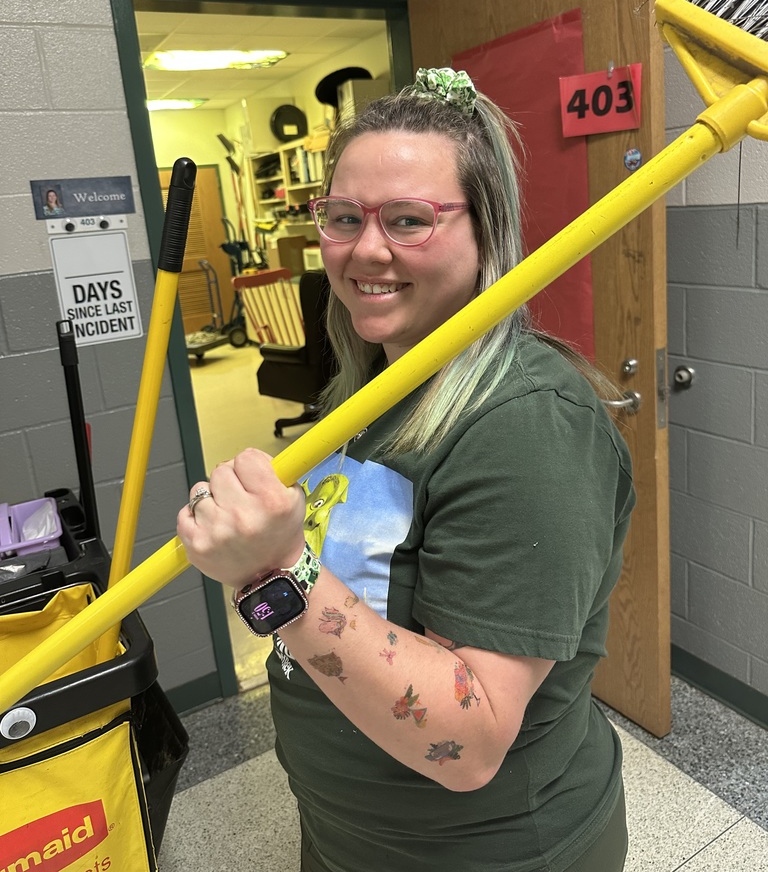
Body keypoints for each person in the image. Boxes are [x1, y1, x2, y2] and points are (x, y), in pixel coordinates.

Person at [177, 68, 634, 872]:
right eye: (344, 217)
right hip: (352, 835)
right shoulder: (369, 386)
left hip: (488, 854)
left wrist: (272, 572)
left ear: (489, 234)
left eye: (410, 219)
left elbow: (473, 738)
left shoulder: (526, 424)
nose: (367, 248)